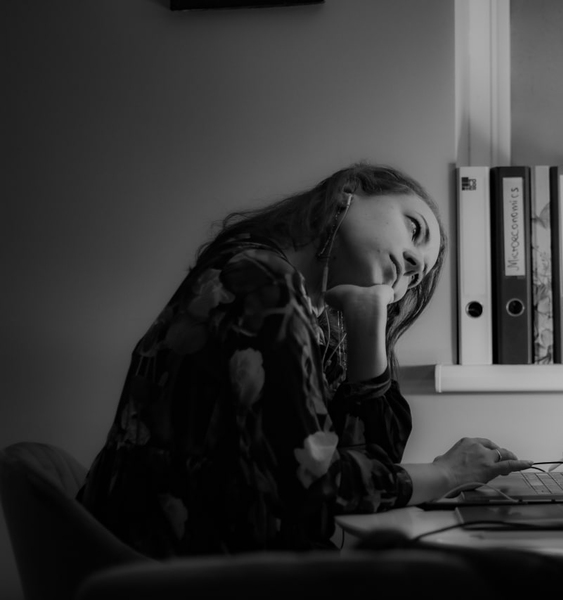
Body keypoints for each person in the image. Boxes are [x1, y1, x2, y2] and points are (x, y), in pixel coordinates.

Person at [77, 163, 532, 558]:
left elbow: (366, 461)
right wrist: (445, 473)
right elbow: (317, 484)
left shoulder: (287, 296)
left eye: (417, 276)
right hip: (167, 576)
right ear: (350, 191)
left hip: (180, 564)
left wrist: (366, 322)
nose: (411, 264)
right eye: (414, 229)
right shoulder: (259, 280)